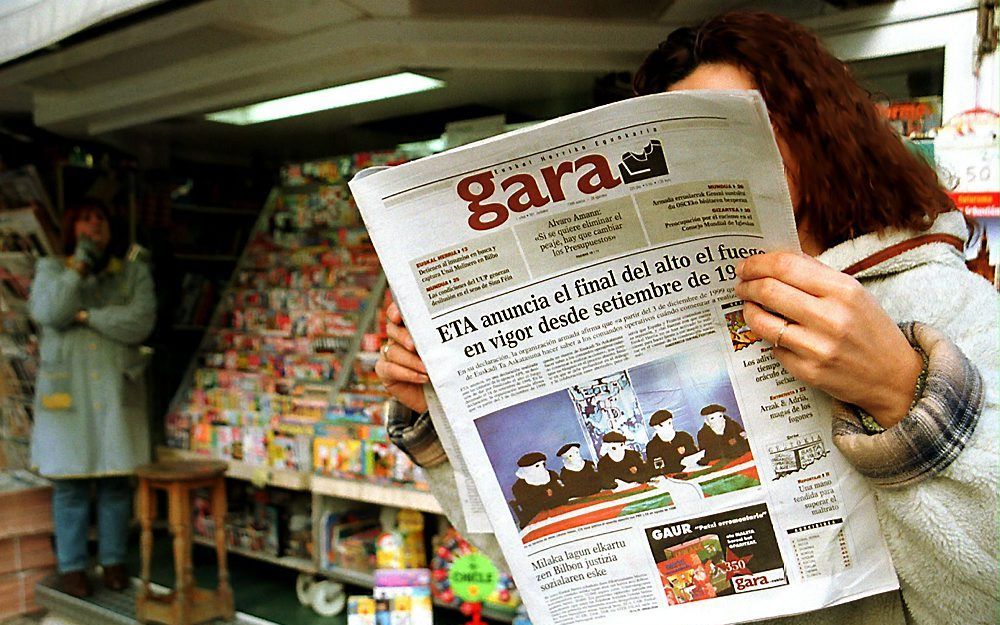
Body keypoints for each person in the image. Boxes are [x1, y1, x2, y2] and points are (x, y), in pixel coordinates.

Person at [377, 12, 997, 625]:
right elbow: (556, 576)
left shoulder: (946, 304)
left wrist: (901, 396)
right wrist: (440, 434)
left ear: (821, 133)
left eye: (748, 125)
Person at [29, 201, 156, 598]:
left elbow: (139, 322)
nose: (93, 227)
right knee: (71, 488)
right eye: (85, 220)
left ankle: (114, 560)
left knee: (116, 483)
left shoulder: (131, 271)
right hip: (68, 398)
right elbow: (49, 312)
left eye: (100, 219)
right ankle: (72, 567)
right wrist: (78, 266)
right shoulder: (52, 269)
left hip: (115, 392)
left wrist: (85, 317)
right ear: (71, 228)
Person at [509, 452, 565, 528]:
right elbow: (528, 505)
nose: (541, 468)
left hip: (559, 508)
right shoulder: (519, 487)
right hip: (536, 516)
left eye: (543, 464)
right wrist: (545, 495)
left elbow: (562, 490)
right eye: (537, 466)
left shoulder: (552, 474)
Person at [644, 409, 698, 475]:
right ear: (655, 427)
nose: (667, 427)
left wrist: (686, 450)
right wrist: (676, 453)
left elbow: (695, 455)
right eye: (662, 425)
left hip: (692, 471)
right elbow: (657, 468)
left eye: (669, 423)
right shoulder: (652, 446)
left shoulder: (684, 436)